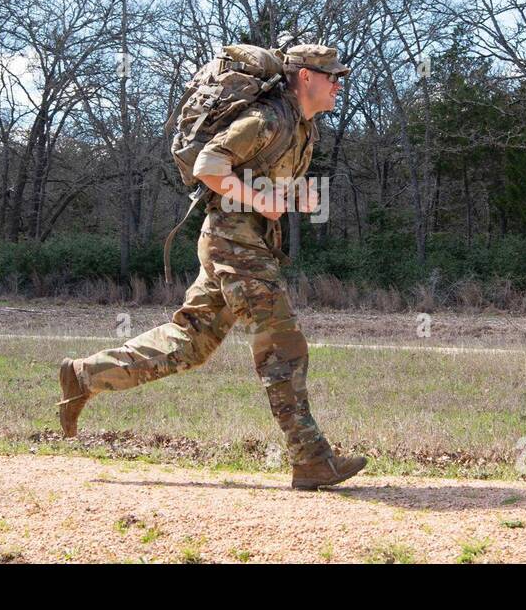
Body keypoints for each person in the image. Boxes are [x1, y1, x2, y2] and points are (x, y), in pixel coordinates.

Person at [57, 44, 367, 490]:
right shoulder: (268, 119)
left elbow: (265, 181)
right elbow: (209, 164)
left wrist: (295, 198)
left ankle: (84, 375)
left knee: (191, 343)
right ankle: (311, 457)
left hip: (241, 242)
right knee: (282, 341)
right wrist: (262, 200)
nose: (338, 83)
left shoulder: (302, 127)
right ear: (304, 77)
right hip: (232, 241)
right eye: (331, 75)